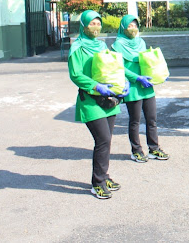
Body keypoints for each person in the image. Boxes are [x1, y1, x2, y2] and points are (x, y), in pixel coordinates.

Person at [68, 10, 129, 199]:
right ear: (83, 26)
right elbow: (76, 75)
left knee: (107, 140)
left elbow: (113, 66)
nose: (95, 27)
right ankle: (98, 183)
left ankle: (104, 176)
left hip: (108, 99)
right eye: (91, 23)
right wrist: (96, 86)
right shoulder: (77, 47)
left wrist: (124, 81)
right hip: (91, 100)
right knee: (102, 140)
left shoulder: (102, 45)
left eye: (97, 23)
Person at [111, 14, 169, 163]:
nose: (133, 29)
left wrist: (159, 73)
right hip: (133, 87)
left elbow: (147, 61)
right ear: (123, 28)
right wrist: (136, 78)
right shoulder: (117, 45)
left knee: (152, 119)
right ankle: (136, 151)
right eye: (129, 26)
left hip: (146, 86)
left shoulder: (141, 42)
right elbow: (120, 67)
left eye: (135, 25)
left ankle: (154, 149)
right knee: (135, 121)